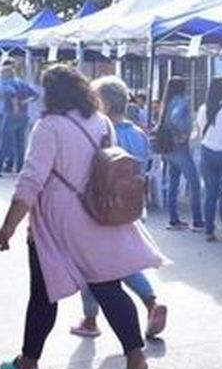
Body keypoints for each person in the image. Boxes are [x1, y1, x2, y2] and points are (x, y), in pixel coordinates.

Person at [0, 65, 164, 369]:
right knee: (109, 287)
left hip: (59, 222)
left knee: (43, 294)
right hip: (99, 215)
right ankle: (136, 360)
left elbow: (31, 180)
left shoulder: (49, 127)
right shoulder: (101, 122)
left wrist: (8, 226)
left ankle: (28, 360)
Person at [70, 76, 170, 341]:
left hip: (105, 209)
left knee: (91, 264)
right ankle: (150, 302)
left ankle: (92, 318)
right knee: (123, 262)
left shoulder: (102, 133)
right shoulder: (138, 134)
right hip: (133, 207)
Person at [195, 76, 222, 242]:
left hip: (207, 152)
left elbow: (200, 131)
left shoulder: (203, 109)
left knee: (210, 194)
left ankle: (209, 230)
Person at [157, 76, 203, 230]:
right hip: (180, 147)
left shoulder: (167, 102)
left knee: (172, 183)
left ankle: (173, 219)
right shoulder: (182, 102)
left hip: (168, 148)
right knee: (194, 184)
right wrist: (182, 134)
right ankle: (197, 220)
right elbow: (175, 119)